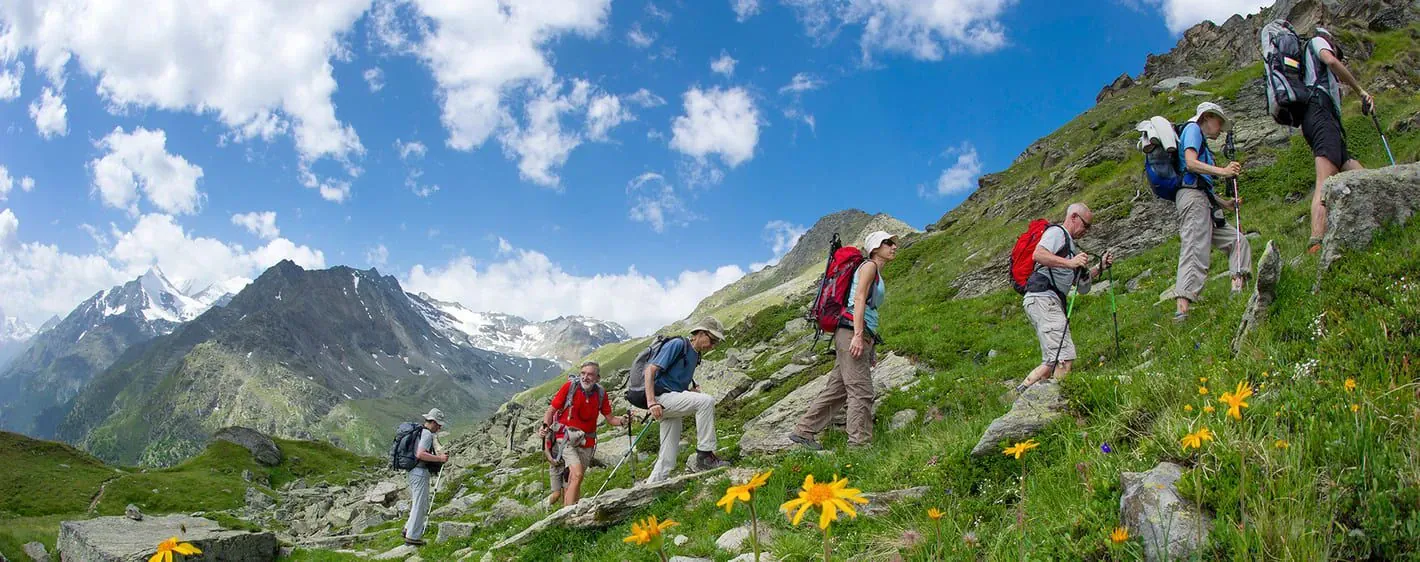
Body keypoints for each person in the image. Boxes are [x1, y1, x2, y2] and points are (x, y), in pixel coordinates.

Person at [788, 231, 898, 451]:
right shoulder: (869, 267)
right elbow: (858, 299)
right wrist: (858, 335)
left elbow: (865, 306)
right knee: (861, 390)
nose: (893, 246)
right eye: (888, 243)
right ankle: (860, 445)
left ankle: (804, 431)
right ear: (875, 247)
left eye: (893, 243)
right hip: (851, 332)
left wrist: (869, 344)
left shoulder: (873, 270)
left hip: (853, 332)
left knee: (838, 389)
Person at [1014, 204, 1113, 392]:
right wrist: (1070, 262)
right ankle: (1057, 405)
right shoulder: (1057, 233)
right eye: (1086, 225)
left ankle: (1022, 393)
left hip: (1043, 299)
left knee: (1053, 359)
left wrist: (1099, 267)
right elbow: (1039, 254)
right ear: (1074, 217)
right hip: (1044, 298)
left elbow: (1080, 285)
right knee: (1064, 358)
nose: (1087, 231)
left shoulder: (1069, 246)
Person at [1173, 102, 1251, 322]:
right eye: (1219, 122)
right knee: (1195, 248)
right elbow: (1190, 163)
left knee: (1238, 241)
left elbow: (1200, 182)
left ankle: (1238, 290)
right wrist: (1224, 172)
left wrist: (1224, 204)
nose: (1220, 129)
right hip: (1193, 200)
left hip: (1202, 200)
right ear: (1207, 117)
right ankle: (1182, 309)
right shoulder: (1193, 130)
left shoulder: (1200, 138)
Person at [1302, 26, 1374, 254]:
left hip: (1327, 122)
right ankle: (1316, 241)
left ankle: (1381, 216)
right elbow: (1330, 61)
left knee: (1361, 175)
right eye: (1337, 50)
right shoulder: (1319, 42)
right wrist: (1360, 90)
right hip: (1321, 115)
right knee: (1325, 179)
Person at [643, 317, 731, 483]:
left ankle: (652, 487)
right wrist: (651, 402)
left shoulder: (696, 355)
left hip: (670, 399)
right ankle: (705, 455)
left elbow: (674, 381)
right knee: (705, 401)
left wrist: (689, 392)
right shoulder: (678, 344)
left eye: (716, 343)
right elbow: (650, 371)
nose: (713, 346)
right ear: (701, 333)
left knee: (668, 454)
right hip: (661, 399)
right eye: (712, 340)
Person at [540, 361, 628, 506]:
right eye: (583, 373)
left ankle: (569, 512)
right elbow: (551, 410)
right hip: (565, 439)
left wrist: (624, 421)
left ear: (597, 378)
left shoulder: (601, 394)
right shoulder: (569, 387)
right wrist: (545, 426)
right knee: (577, 474)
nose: (586, 377)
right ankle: (568, 516)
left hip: (587, 442)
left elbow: (610, 418)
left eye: (590, 374)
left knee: (573, 481)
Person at [403, 408, 448, 546]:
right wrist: (440, 459)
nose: (439, 428)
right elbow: (420, 454)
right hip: (419, 471)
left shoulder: (420, 431)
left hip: (412, 471)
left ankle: (408, 529)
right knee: (421, 504)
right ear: (433, 422)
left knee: (418, 502)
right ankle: (413, 537)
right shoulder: (427, 434)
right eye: (439, 425)